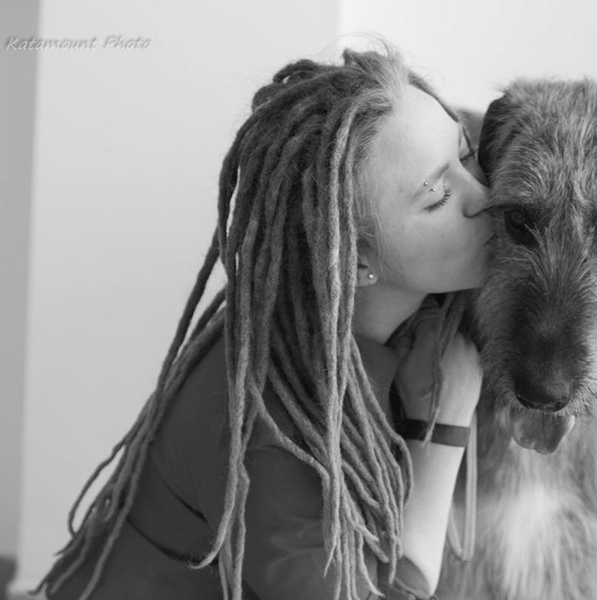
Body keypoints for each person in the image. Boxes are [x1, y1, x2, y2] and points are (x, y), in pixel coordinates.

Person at [35, 43, 492, 600]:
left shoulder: (356, 332)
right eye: (439, 194)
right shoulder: (270, 432)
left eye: (466, 155)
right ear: (354, 259)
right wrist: (445, 425)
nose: (485, 198)